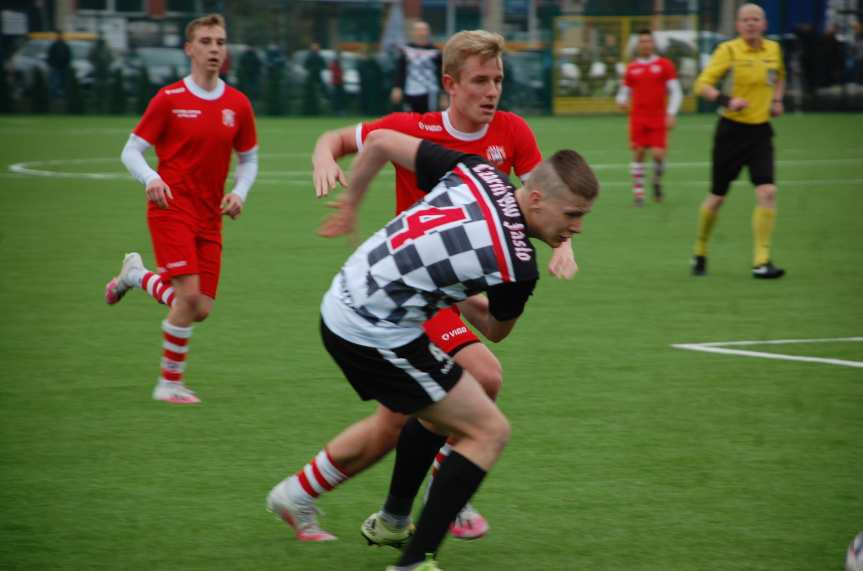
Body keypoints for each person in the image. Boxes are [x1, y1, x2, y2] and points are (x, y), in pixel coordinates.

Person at [268, 128, 599, 571]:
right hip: (371, 329)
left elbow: (382, 141)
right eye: (573, 215)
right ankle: (413, 562)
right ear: (536, 198)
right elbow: (496, 330)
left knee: (445, 402)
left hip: (351, 291)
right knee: (488, 431)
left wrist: (352, 204)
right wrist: (456, 291)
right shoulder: (519, 265)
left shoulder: (479, 170)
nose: (576, 228)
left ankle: (391, 519)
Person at [305, 29, 579, 543]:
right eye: (480, 80)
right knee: (482, 378)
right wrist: (325, 158)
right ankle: (441, 500)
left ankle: (362, 509)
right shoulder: (416, 127)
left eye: (498, 80)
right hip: (411, 291)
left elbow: (545, 199)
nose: (491, 91)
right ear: (450, 84)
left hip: (452, 291)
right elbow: (339, 140)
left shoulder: (514, 132)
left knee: (401, 423)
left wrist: (563, 244)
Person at [103, 14, 259, 403]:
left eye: (220, 42)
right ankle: (168, 384)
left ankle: (136, 275)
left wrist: (239, 192)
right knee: (188, 297)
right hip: (170, 208)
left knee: (200, 307)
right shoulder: (169, 99)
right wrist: (151, 179)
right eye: (205, 41)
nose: (214, 49)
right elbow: (131, 150)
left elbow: (250, 159)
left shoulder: (237, 104)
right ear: (189, 48)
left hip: (210, 216)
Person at [691, 3, 785, 279]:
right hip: (730, 132)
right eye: (745, 20)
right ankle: (700, 249)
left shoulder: (773, 50)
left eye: (756, 19)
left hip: (760, 132)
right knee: (717, 198)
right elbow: (701, 85)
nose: (751, 24)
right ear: (738, 25)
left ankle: (762, 261)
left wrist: (777, 100)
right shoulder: (728, 51)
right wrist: (727, 100)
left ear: (764, 24)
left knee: (767, 191)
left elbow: (779, 76)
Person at [615, 29, 682, 205]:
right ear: (638, 45)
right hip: (638, 118)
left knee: (658, 155)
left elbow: (676, 92)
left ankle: (657, 181)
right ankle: (639, 195)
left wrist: (671, 113)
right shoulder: (632, 68)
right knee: (638, 153)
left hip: (658, 118)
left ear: (653, 44)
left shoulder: (664, 65)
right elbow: (623, 92)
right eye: (642, 41)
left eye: (648, 41)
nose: (645, 44)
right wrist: (621, 100)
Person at [391, 21, 442, 113]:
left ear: (428, 32)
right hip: (410, 91)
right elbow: (400, 70)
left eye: (424, 30)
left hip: (430, 92)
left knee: (428, 120)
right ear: (413, 32)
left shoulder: (435, 51)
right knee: (409, 119)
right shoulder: (405, 50)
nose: (421, 32)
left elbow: (440, 72)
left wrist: (444, 93)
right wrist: (397, 87)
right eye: (418, 30)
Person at [47, 30, 71, 98]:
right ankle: (54, 97)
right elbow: (50, 56)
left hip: (63, 67)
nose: (59, 36)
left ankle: (62, 96)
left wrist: (66, 64)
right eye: (59, 35)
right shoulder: (54, 45)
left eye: (60, 35)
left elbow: (68, 56)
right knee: (55, 83)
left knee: (63, 83)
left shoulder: (64, 45)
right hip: (56, 67)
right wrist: (52, 64)